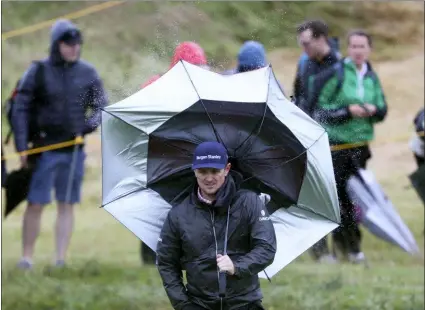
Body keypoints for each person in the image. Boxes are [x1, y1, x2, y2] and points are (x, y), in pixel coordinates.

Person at [12, 19, 107, 269]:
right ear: (56, 44)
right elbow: (20, 108)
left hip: (74, 150)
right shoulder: (38, 71)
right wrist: (21, 146)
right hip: (41, 150)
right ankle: (26, 258)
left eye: (77, 44)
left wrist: (88, 126)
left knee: (67, 204)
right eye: (68, 44)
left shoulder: (89, 72)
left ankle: (60, 259)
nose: (74, 48)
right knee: (35, 203)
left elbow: (102, 106)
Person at [156, 141, 277, 310]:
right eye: (202, 171)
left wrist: (236, 267)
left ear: (227, 169)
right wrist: (183, 305)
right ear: (194, 170)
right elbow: (166, 262)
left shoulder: (250, 202)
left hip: (245, 303)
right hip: (199, 304)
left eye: (215, 171)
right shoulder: (178, 214)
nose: (209, 178)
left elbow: (266, 248)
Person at [310, 29, 387, 263]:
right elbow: (320, 112)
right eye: (353, 46)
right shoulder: (337, 73)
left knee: (355, 201)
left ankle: (347, 248)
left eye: (362, 46)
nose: (358, 51)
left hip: (361, 147)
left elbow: (383, 110)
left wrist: (373, 110)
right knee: (342, 200)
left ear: (369, 49)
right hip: (337, 148)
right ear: (347, 49)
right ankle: (350, 250)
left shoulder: (371, 76)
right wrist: (347, 111)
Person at [139, 41, 209, 265]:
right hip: (160, 159)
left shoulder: (203, 89)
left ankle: (180, 256)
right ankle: (151, 258)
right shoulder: (156, 87)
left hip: (185, 157)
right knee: (158, 208)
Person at [292, 20, 341, 116]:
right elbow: (297, 95)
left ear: (321, 39)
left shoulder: (340, 64)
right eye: (301, 44)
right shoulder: (304, 61)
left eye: (306, 44)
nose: (303, 49)